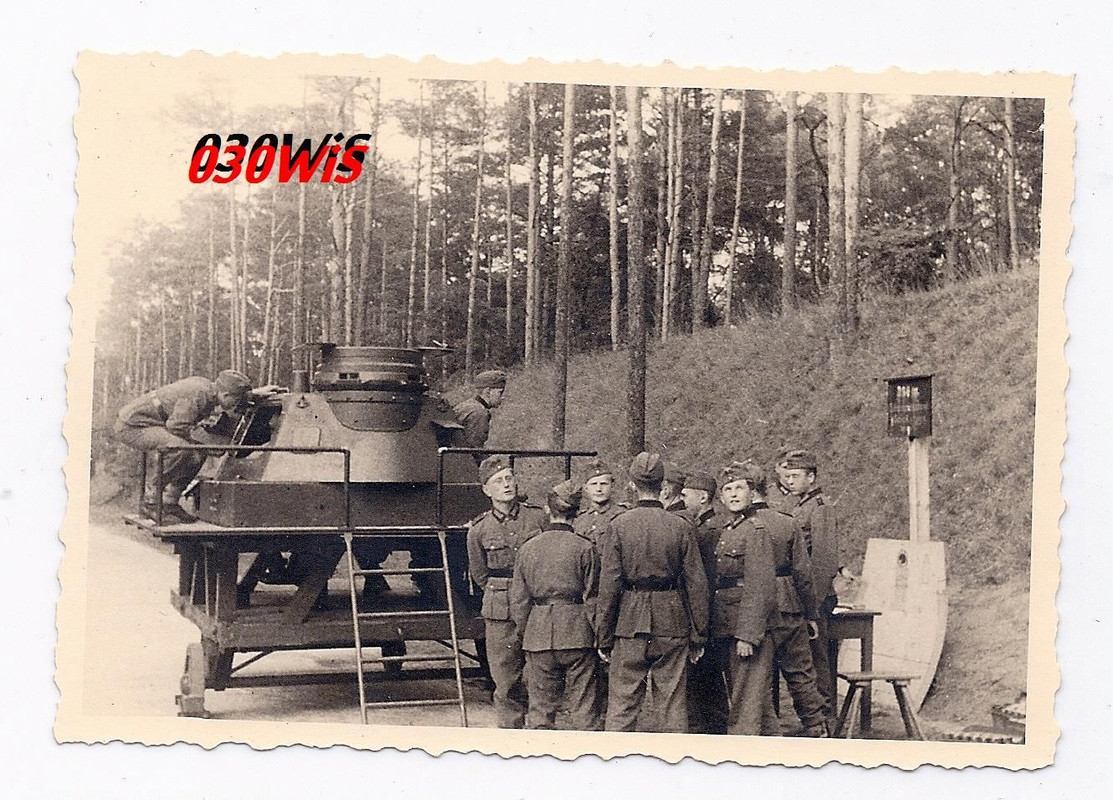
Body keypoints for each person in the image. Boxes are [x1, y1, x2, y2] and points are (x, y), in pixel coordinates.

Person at [596, 452, 709, 733]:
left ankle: (614, 766)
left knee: (622, 705)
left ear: (632, 485)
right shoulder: (681, 526)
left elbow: (609, 584)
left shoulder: (618, 525)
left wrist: (604, 635)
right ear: (664, 487)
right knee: (672, 706)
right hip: (672, 620)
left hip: (629, 622)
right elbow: (696, 583)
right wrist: (699, 634)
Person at [510, 479, 602, 730]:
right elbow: (594, 597)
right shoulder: (586, 548)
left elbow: (518, 600)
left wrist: (525, 632)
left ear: (548, 511)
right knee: (585, 710)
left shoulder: (528, 549)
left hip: (538, 633)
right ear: (577, 513)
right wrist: (598, 636)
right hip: (578, 633)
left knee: (540, 711)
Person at [466, 455, 545, 729]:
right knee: (505, 675)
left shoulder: (537, 517)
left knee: (540, 670)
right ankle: (511, 731)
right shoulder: (479, 529)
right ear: (487, 490)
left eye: (509, 478)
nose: (506, 485)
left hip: (536, 603)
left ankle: (541, 728)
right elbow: (480, 575)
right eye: (498, 481)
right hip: (501, 609)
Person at [113, 369, 255, 523]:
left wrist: (257, 394)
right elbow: (176, 426)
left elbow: (185, 426)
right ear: (226, 395)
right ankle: (151, 500)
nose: (236, 405)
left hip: (151, 424)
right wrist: (207, 440)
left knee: (199, 452)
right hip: (133, 426)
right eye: (236, 400)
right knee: (179, 448)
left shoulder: (209, 389)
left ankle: (169, 501)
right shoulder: (199, 394)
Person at [708, 461, 777, 735]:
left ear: (752, 493)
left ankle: (742, 758)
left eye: (740, 488)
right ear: (722, 497)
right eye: (728, 489)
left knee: (745, 704)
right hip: (729, 624)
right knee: (755, 702)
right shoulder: (729, 530)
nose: (734, 494)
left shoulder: (756, 531)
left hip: (747, 630)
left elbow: (760, 587)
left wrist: (748, 634)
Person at [777, 449, 842, 710]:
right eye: (788, 476)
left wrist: (812, 604)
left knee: (818, 658)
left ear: (811, 478)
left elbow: (824, 562)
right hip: (804, 594)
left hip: (817, 596)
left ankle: (824, 714)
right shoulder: (800, 505)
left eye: (795, 476)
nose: (789, 481)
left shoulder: (821, 508)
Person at [678, 469, 729, 735]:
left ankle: (712, 731)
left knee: (707, 677)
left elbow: (705, 580)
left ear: (703, 497)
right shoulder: (701, 527)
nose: (682, 500)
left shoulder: (710, 530)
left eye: (686, 496)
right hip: (705, 613)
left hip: (708, 613)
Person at [573, 458, 629, 545]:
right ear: (586, 488)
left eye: (604, 484)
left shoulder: (622, 516)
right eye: (594, 484)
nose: (598, 489)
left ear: (612, 487)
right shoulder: (579, 519)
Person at [453, 369, 508, 451]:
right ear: (488, 391)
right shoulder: (480, 413)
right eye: (500, 393)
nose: (502, 397)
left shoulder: (466, 405)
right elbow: (475, 450)